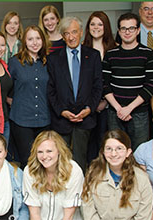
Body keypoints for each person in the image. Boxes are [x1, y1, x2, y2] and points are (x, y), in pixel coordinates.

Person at [47, 16, 103, 172]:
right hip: (61, 120)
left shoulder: (93, 56)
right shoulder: (53, 59)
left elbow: (98, 87)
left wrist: (89, 109)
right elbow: (50, 90)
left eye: (74, 32)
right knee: (60, 162)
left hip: (85, 119)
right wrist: (62, 111)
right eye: (66, 33)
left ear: (81, 33)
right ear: (63, 36)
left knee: (80, 161)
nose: (71, 37)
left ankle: (80, 194)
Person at [103, 12, 153, 151]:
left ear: (138, 30)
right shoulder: (110, 54)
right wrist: (119, 109)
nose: (127, 32)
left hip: (139, 113)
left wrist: (129, 108)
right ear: (119, 31)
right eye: (123, 28)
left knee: (139, 153)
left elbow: (151, 85)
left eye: (131, 28)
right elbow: (104, 84)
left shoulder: (148, 54)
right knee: (115, 151)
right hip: (115, 112)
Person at [82, 129, 153, 219]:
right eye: (109, 149)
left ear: (128, 152)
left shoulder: (141, 178)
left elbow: (144, 215)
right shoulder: (93, 175)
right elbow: (89, 212)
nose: (114, 154)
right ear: (103, 152)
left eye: (119, 149)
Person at [8, 25, 51, 168]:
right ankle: (27, 190)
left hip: (44, 119)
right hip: (22, 121)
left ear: (43, 40)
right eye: (30, 39)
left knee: (44, 160)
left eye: (38, 38)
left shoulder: (48, 62)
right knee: (27, 162)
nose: (35, 42)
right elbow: (8, 89)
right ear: (24, 42)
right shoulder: (15, 62)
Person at [23, 130, 84, 220]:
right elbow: (34, 213)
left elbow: (68, 216)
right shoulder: (30, 170)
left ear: (59, 151)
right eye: (40, 152)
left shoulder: (73, 170)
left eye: (49, 151)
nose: (44, 156)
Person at [82, 11, 117, 164]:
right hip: (88, 105)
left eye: (100, 24)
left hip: (109, 105)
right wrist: (93, 103)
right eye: (92, 24)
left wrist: (105, 102)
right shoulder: (82, 48)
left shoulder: (114, 48)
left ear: (106, 27)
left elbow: (115, 79)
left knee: (106, 141)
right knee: (89, 144)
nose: (96, 27)